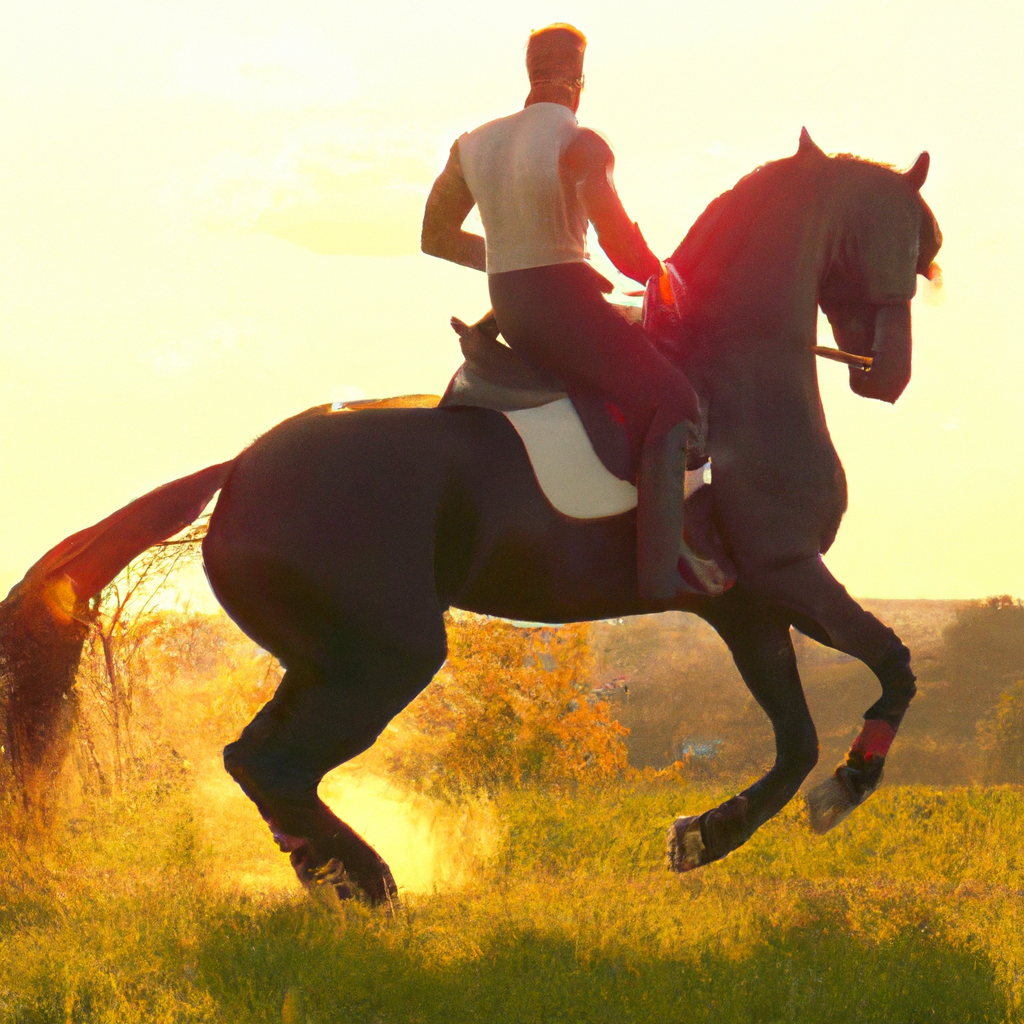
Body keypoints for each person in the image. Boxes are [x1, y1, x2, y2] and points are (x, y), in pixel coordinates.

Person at [421, 24, 730, 601]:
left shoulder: (471, 145)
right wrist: (670, 280)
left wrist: (518, 257)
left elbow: (435, 237)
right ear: (580, 82)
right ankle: (661, 574)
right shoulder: (583, 144)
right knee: (675, 400)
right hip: (569, 315)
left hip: (511, 312)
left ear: (531, 73)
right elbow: (622, 251)